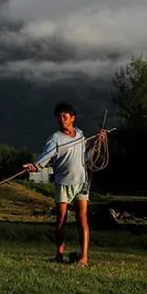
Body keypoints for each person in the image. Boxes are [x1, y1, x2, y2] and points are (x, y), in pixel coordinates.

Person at [22, 102, 107, 266]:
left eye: (65, 116)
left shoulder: (81, 135)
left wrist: (97, 142)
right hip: (63, 183)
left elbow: (86, 156)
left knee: (82, 219)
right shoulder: (55, 138)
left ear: (72, 118)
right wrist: (35, 166)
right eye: (59, 117)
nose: (62, 119)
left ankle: (84, 257)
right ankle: (59, 254)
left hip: (81, 181)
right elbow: (45, 156)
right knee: (61, 218)